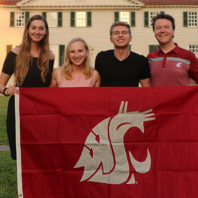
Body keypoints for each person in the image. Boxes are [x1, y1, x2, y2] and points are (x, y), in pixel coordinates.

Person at [0, 15, 55, 160]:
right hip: (19, 110)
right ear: (28, 30)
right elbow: (1, 83)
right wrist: (6, 90)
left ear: (46, 32)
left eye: (41, 28)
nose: (37, 31)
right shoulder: (14, 53)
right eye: (34, 28)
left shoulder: (50, 56)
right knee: (21, 155)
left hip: (42, 112)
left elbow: (50, 85)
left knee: (41, 153)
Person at [147, 13, 198, 86]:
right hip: (156, 97)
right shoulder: (150, 57)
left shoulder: (188, 56)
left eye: (166, 27)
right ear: (154, 32)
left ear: (173, 30)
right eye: (158, 28)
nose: (162, 30)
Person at [95, 21, 151, 87]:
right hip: (106, 97)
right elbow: (96, 87)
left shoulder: (141, 61)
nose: (120, 35)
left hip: (131, 97)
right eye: (116, 33)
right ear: (111, 39)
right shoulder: (101, 58)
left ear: (130, 38)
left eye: (124, 33)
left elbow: (147, 89)